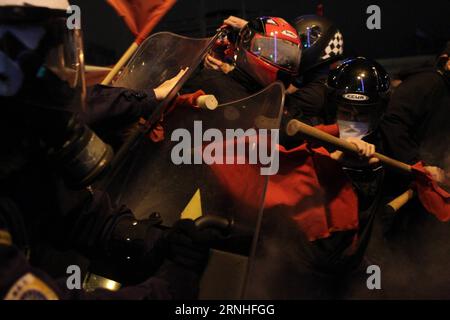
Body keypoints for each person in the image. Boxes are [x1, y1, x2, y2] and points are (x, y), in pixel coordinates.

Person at [0, 0, 212, 300]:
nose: (58, 79)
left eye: (63, 59)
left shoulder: (15, 154)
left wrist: (150, 239)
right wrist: (165, 292)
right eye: (45, 64)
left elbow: (71, 212)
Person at [248, 57, 391, 299]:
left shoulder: (380, 149)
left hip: (346, 266)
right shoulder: (307, 135)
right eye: (346, 111)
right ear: (332, 107)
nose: (353, 120)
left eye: (362, 114)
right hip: (300, 265)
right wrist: (334, 160)